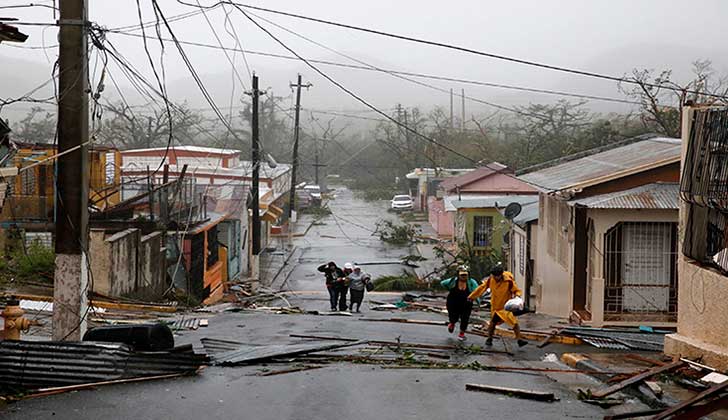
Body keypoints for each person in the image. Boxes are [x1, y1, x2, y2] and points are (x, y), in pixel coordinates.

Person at [468, 264, 528, 347]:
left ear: (501, 274)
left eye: (498, 276)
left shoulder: (508, 281)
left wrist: (518, 296)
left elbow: (516, 290)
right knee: (492, 324)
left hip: (505, 307)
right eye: (494, 276)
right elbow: (482, 288)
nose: (496, 278)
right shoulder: (490, 280)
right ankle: (489, 338)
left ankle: (519, 339)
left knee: (514, 323)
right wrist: (472, 296)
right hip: (495, 307)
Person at [440, 265, 480, 341]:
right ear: (458, 274)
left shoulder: (471, 282)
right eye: (462, 275)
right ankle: (452, 323)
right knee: (453, 316)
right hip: (453, 301)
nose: (464, 277)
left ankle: (461, 334)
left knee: (465, 318)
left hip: (466, 303)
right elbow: (443, 283)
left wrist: (478, 302)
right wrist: (449, 289)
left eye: (465, 275)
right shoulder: (453, 281)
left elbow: (477, 291)